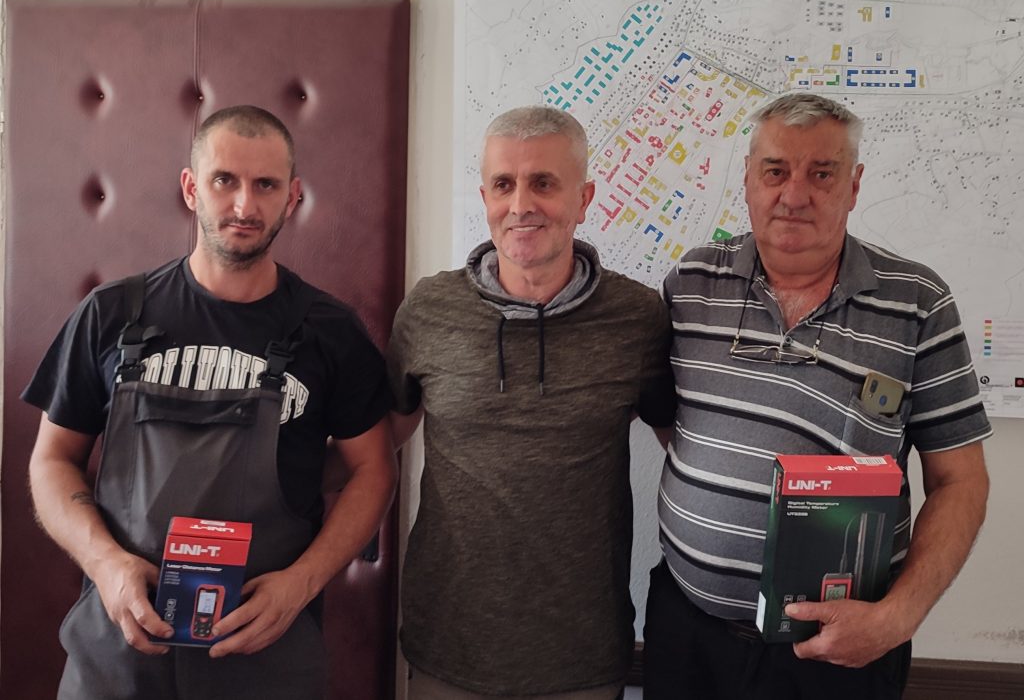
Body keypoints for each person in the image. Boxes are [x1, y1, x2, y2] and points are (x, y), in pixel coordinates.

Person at [25, 105, 397, 700]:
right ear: (191, 187)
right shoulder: (111, 315)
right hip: (118, 652)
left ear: (292, 197)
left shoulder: (330, 332)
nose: (244, 205)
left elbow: (373, 470)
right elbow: (51, 460)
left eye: (266, 185)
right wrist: (105, 565)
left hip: (268, 655)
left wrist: (301, 584)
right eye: (225, 180)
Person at [644, 92, 991, 699]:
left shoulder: (918, 303)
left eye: (822, 174)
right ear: (748, 179)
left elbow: (960, 481)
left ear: (853, 186)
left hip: (838, 652)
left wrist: (898, 618)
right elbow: (674, 423)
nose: (794, 194)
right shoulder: (692, 284)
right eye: (775, 171)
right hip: (689, 637)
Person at [387, 106, 676, 699]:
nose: (521, 204)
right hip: (447, 647)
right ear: (485, 198)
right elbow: (377, 442)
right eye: (503, 184)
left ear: (584, 198)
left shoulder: (638, 318)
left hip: (582, 655)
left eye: (543, 182)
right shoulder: (428, 309)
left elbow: (686, 446)